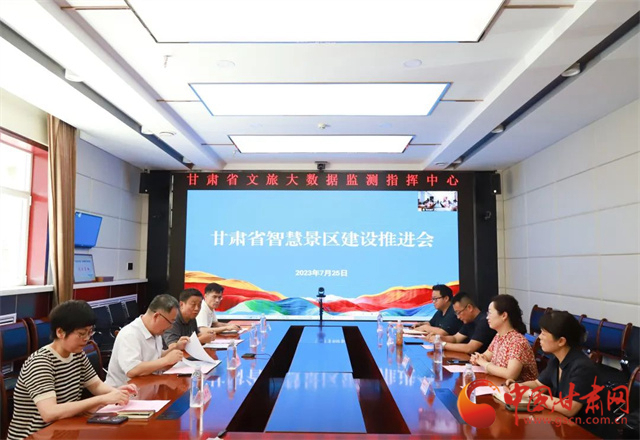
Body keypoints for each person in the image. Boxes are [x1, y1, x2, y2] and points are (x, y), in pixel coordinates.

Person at [8, 301, 136, 440]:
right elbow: (49, 413)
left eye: (89, 332)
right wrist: (101, 399)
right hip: (34, 435)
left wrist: (117, 393)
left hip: (63, 429)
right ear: (60, 332)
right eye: (81, 334)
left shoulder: (77, 354)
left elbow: (96, 386)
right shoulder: (41, 363)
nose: (87, 339)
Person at [504, 311, 600, 419]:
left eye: (544, 333)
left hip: (586, 427)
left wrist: (531, 394)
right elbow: (539, 384)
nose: (539, 337)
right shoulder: (556, 360)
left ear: (561, 341)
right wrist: (519, 386)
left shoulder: (582, 367)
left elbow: (569, 408)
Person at [105, 294, 189, 387]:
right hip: (123, 391)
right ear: (156, 316)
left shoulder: (156, 331)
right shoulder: (130, 334)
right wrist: (166, 360)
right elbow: (132, 370)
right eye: (170, 322)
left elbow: (156, 356)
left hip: (148, 385)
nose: (171, 327)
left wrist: (176, 347)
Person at [470, 294, 537, 381]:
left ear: (504, 315)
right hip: (499, 384)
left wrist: (484, 364)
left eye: (490, 313)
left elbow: (511, 374)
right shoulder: (499, 336)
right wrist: (478, 358)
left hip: (520, 388)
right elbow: (486, 355)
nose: (487, 317)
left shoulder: (517, 341)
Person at [426, 292, 496, 354]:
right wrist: (439, 338)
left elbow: (470, 348)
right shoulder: (469, 321)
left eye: (458, 312)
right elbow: (455, 338)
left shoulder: (484, 321)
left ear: (469, 308)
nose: (458, 317)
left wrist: (443, 344)